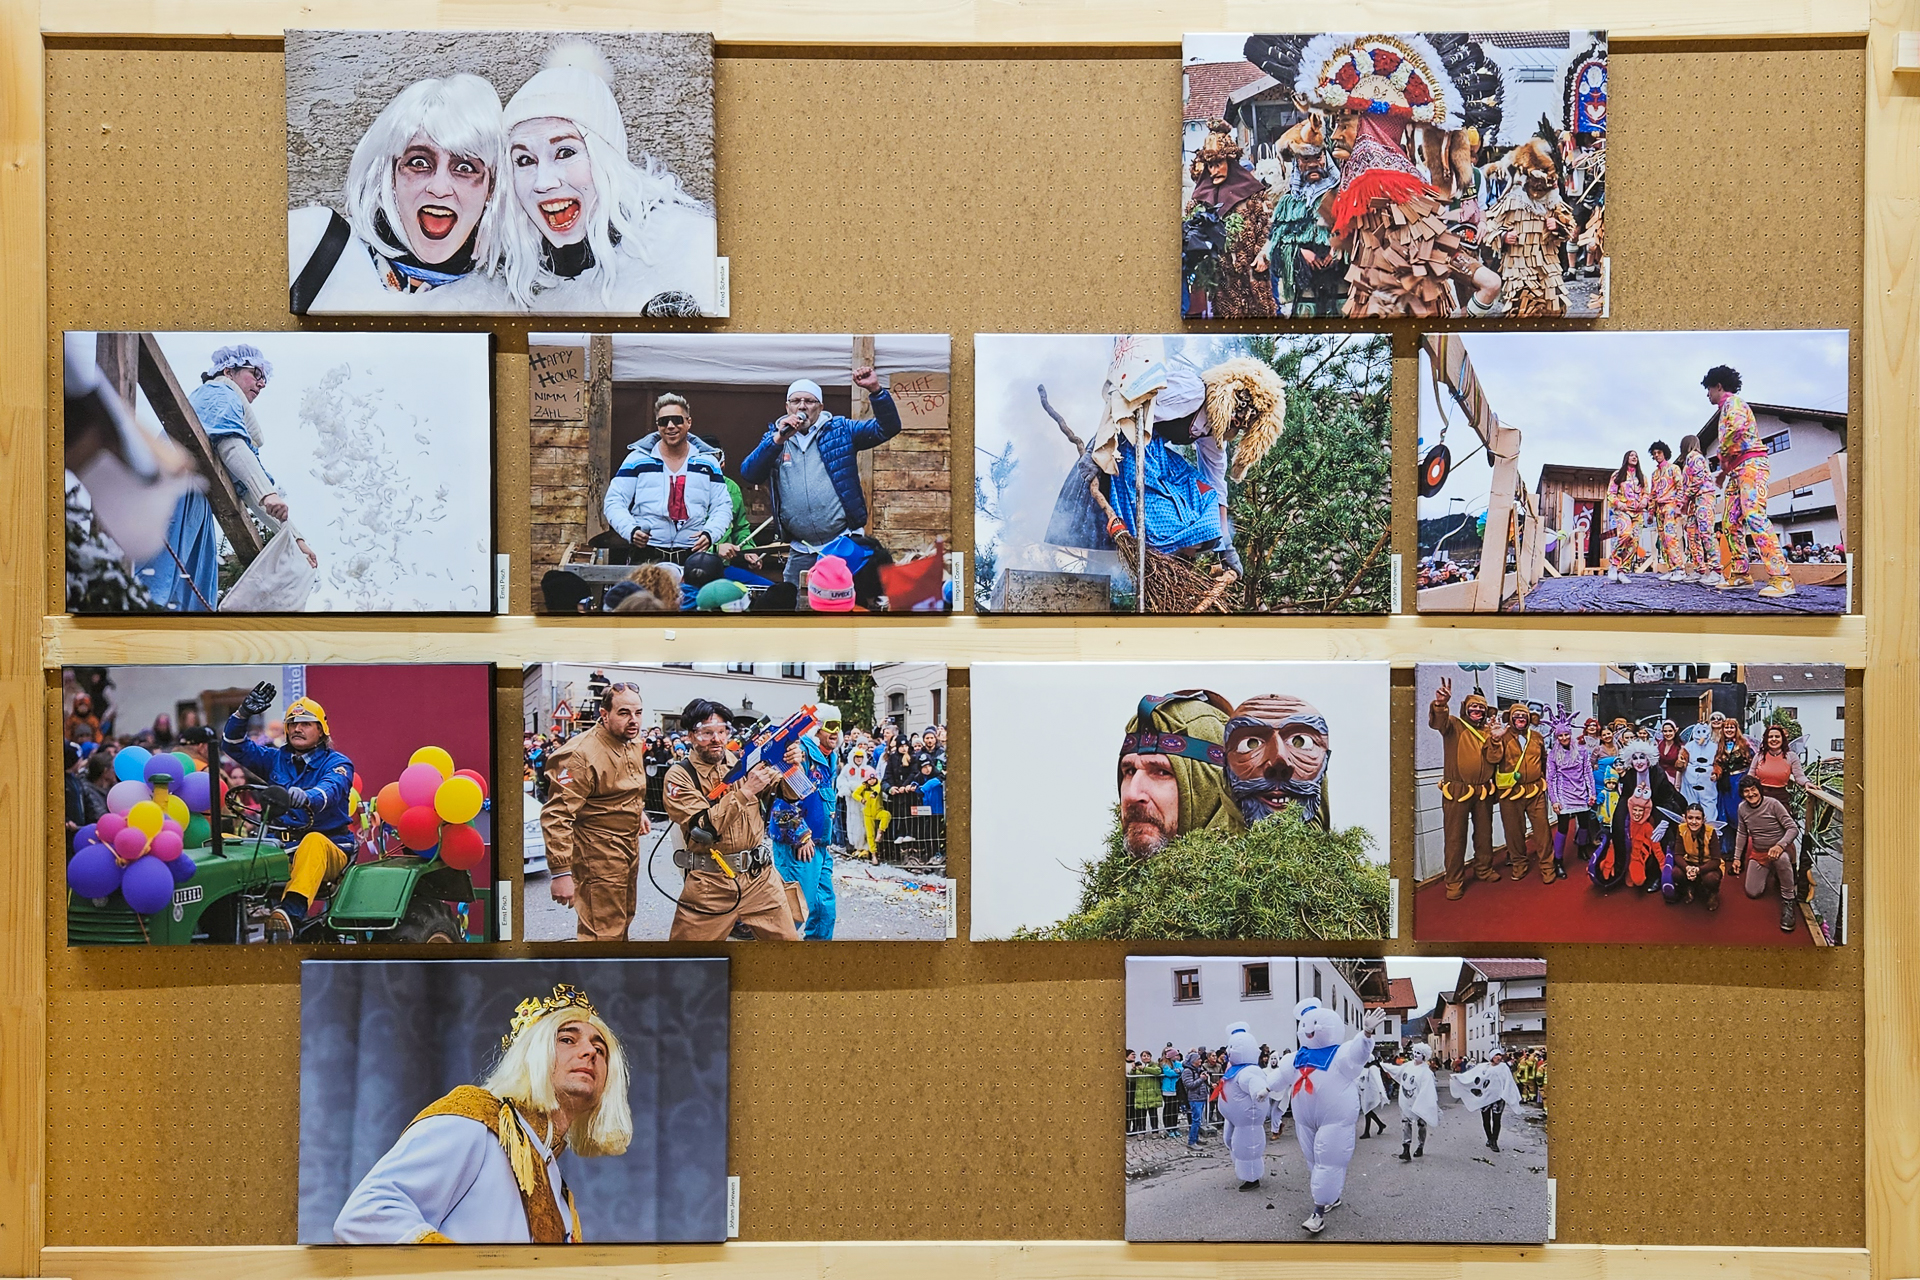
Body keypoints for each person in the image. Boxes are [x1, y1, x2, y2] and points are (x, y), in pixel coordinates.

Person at [333, 982, 627, 1243]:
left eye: (600, 1049)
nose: (590, 1052)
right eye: (567, 1039)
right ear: (531, 1055)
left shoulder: (560, 1194)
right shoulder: (476, 1118)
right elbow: (368, 1214)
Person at [500, 39, 719, 316]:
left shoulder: (690, 250)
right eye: (524, 160)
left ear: (608, 158)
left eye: (565, 152)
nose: (543, 183)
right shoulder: (516, 284)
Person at [1298, 38, 1504, 317]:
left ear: (1373, 130)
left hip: (1400, 316)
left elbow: (1427, 249)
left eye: (1345, 124)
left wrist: (1475, 298)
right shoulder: (1376, 185)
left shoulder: (1389, 188)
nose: (1335, 135)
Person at [290, 74, 510, 313]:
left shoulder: (510, 301)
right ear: (390, 174)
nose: (439, 188)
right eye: (419, 163)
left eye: (465, 168)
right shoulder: (311, 243)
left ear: (491, 187)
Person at [136, 345, 319, 611]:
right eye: (255, 373)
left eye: (264, 378)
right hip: (173, 492)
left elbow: (248, 485)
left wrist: (297, 539)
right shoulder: (218, 392)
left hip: (197, 509)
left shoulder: (236, 415)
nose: (261, 383)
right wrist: (268, 494)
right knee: (151, 585)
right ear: (228, 370)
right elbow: (231, 446)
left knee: (188, 602)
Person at [740, 370, 901, 590]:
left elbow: (888, 428)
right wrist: (777, 439)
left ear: (820, 407)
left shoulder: (841, 430)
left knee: (845, 598)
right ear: (787, 407)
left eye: (809, 401)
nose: (802, 406)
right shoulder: (775, 439)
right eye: (796, 401)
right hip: (801, 548)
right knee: (795, 600)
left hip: (841, 541)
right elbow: (750, 473)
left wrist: (876, 391)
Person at [660, 699, 804, 941]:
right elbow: (703, 829)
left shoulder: (745, 762)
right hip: (710, 885)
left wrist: (792, 765)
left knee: (788, 952)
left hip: (760, 880)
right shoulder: (680, 776)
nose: (716, 739)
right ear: (691, 736)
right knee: (688, 960)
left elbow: (790, 793)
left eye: (722, 731)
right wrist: (746, 792)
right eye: (707, 733)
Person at [221, 682, 355, 940]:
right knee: (223, 844)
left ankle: (289, 915)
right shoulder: (275, 759)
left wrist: (305, 797)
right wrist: (242, 714)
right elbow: (233, 746)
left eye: (305, 723)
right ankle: (222, 929)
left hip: (330, 847)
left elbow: (330, 790)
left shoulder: (338, 763)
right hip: (279, 848)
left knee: (313, 842)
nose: (297, 728)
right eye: (292, 724)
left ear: (321, 730)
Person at [538, 682, 651, 941]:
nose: (633, 720)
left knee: (622, 920)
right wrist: (561, 872)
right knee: (603, 931)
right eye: (624, 713)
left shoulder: (630, 742)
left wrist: (638, 811)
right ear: (604, 714)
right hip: (597, 852)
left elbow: (621, 787)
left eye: (638, 712)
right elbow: (557, 814)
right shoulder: (581, 754)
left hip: (627, 847)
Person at [601, 394, 735, 565]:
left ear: (689, 422)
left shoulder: (707, 462)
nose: (670, 426)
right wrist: (631, 530)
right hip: (646, 553)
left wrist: (710, 533)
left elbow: (722, 505)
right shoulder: (637, 459)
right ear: (657, 425)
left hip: (692, 552)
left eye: (677, 420)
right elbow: (614, 500)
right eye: (664, 421)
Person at [1705, 365, 1796, 598]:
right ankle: (1740, 574)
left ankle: (1782, 578)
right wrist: (1724, 471)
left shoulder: (1733, 403)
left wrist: (1721, 455)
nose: (1707, 394)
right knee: (1730, 523)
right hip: (1737, 470)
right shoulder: (1725, 408)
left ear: (1718, 386)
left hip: (1752, 465)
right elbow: (1735, 439)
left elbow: (1736, 428)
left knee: (1754, 515)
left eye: (1708, 389)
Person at [1116, 689, 1240, 858]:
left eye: (1161, 772)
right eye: (1130, 771)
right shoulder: (1119, 874)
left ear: (1210, 786)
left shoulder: (1255, 871)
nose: (1132, 795)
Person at [1181, 121, 1278, 318]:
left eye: (1218, 164)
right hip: (1222, 284)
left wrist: (1263, 255)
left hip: (1253, 277)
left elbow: (1270, 229)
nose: (1213, 171)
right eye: (1210, 166)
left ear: (1230, 163)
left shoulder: (1254, 195)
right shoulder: (1199, 201)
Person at [768, 704, 842, 940]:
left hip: (820, 845)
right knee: (794, 912)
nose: (835, 732)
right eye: (830, 725)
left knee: (824, 910)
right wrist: (800, 835)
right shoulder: (799, 754)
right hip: (798, 847)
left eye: (839, 726)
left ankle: (816, 958)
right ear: (816, 728)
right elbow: (780, 803)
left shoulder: (830, 758)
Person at [1483, 137, 1577, 317]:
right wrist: (1503, 236)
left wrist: (1558, 226)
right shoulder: (1513, 201)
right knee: (1523, 308)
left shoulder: (1554, 201)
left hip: (1549, 267)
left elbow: (1570, 228)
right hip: (1519, 268)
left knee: (1554, 308)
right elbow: (1490, 228)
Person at [1429, 678, 1499, 898]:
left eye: (1481, 707)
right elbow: (1438, 722)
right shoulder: (1453, 725)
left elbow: (1494, 758)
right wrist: (1440, 704)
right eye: (1473, 706)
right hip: (1457, 791)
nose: (1478, 710)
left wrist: (1495, 739)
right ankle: (1454, 881)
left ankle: (1483, 869)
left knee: (1484, 834)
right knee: (1455, 837)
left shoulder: (1488, 731)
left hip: (1483, 791)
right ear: (1465, 709)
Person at [1486, 701, 1551, 882]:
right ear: (1511, 718)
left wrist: (1546, 780)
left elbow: (1543, 760)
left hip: (1535, 790)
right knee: (1513, 831)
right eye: (1517, 715)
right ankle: (1519, 864)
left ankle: (1547, 865)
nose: (1521, 718)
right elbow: (1492, 758)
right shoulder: (1501, 735)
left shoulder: (1537, 736)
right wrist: (1495, 740)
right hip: (1510, 791)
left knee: (1543, 830)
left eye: (1524, 716)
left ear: (1529, 719)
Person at [1734, 776, 1802, 933]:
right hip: (1759, 852)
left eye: (1753, 789)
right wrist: (1737, 858)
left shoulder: (1773, 804)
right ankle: (1773, 871)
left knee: (1782, 859)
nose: (1751, 794)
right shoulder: (1742, 808)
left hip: (1779, 850)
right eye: (1746, 791)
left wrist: (1780, 845)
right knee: (1752, 892)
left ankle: (1788, 901)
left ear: (1759, 790)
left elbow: (1792, 828)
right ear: (1742, 794)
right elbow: (1742, 833)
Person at [1545, 708, 1598, 880]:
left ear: (1570, 734)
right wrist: (1554, 800)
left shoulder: (1582, 751)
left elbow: (1587, 772)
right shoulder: (1552, 754)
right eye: (1560, 736)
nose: (1563, 738)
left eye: (1566, 734)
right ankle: (1558, 861)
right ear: (1556, 737)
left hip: (1581, 793)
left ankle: (1582, 849)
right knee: (1562, 828)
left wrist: (1592, 793)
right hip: (1563, 794)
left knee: (1584, 823)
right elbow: (1551, 778)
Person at [1449, 1048, 1521, 1152]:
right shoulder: (1483, 1067)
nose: (1498, 1057)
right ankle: (1489, 1138)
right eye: (1496, 1055)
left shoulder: (1503, 1067)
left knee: (1497, 1120)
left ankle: (1494, 1141)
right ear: (1491, 1056)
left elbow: (1508, 1081)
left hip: (1498, 1099)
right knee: (1486, 1120)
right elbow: (1470, 1076)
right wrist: (1457, 1077)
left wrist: (1507, 1094)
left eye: (1500, 1055)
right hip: (1485, 1098)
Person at [1676, 433, 1723, 585]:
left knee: (1706, 532)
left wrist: (1684, 499)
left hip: (1703, 497)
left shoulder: (1695, 457)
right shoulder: (1688, 462)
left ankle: (1716, 571)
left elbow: (1698, 479)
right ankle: (1699, 569)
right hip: (1693, 501)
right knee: (1692, 534)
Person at [1382, 1044, 1439, 1161]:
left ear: (1424, 1056)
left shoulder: (1426, 1072)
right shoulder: (1408, 1065)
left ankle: (1420, 1146)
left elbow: (1428, 1089)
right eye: (1415, 1052)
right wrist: (1383, 1065)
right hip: (1406, 1101)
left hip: (1419, 1102)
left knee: (1421, 1124)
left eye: (1419, 1053)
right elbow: (1397, 1070)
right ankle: (1406, 1150)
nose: (1416, 1055)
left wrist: (1423, 1102)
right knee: (1405, 1123)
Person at [1663, 801, 1723, 911]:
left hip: (1707, 864)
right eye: (1690, 818)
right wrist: (1687, 868)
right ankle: (1689, 887)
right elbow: (1678, 855)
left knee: (1711, 878)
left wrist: (1699, 870)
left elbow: (1716, 860)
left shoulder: (1711, 832)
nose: (1694, 822)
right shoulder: (1681, 829)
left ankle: (1713, 894)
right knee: (1676, 872)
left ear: (1703, 819)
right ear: (1685, 818)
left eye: (1698, 818)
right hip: (1690, 863)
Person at [1645, 441, 1688, 580]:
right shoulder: (1654, 474)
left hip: (1670, 506)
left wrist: (1679, 505)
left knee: (1671, 538)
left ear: (1665, 453)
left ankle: (1680, 569)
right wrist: (1650, 512)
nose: (1657, 455)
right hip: (1659, 510)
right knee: (1663, 540)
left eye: (1659, 452)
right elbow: (1652, 494)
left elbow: (1680, 487)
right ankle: (1671, 569)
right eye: (1654, 453)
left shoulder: (1674, 468)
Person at [1604, 449, 1646, 584]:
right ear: (1626, 458)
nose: (1634, 457)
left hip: (1638, 513)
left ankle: (1623, 571)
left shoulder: (1642, 477)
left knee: (1634, 541)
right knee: (1625, 534)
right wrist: (1619, 503)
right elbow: (1610, 493)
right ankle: (1614, 564)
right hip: (1623, 511)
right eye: (1631, 455)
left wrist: (1645, 500)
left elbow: (1647, 493)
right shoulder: (1618, 474)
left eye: (1636, 456)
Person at [1180, 1050, 1210, 1148]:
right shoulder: (1187, 1071)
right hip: (1195, 1098)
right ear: (1193, 1061)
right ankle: (1191, 1142)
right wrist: (1202, 1079)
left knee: (1198, 1120)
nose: (1201, 1060)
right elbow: (1189, 1085)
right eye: (1198, 1059)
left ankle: (1196, 1138)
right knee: (1196, 1120)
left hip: (1201, 1097)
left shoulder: (1197, 1070)